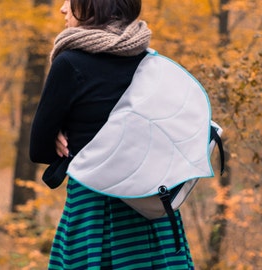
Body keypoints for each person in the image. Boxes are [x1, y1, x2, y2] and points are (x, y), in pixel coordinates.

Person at [30, 0, 195, 269]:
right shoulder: (150, 60)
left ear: (92, 4)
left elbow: (38, 150)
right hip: (151, 204)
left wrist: (60, 130)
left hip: (95, 210)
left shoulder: (69, 63)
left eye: (68, 1)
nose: (62, 8)